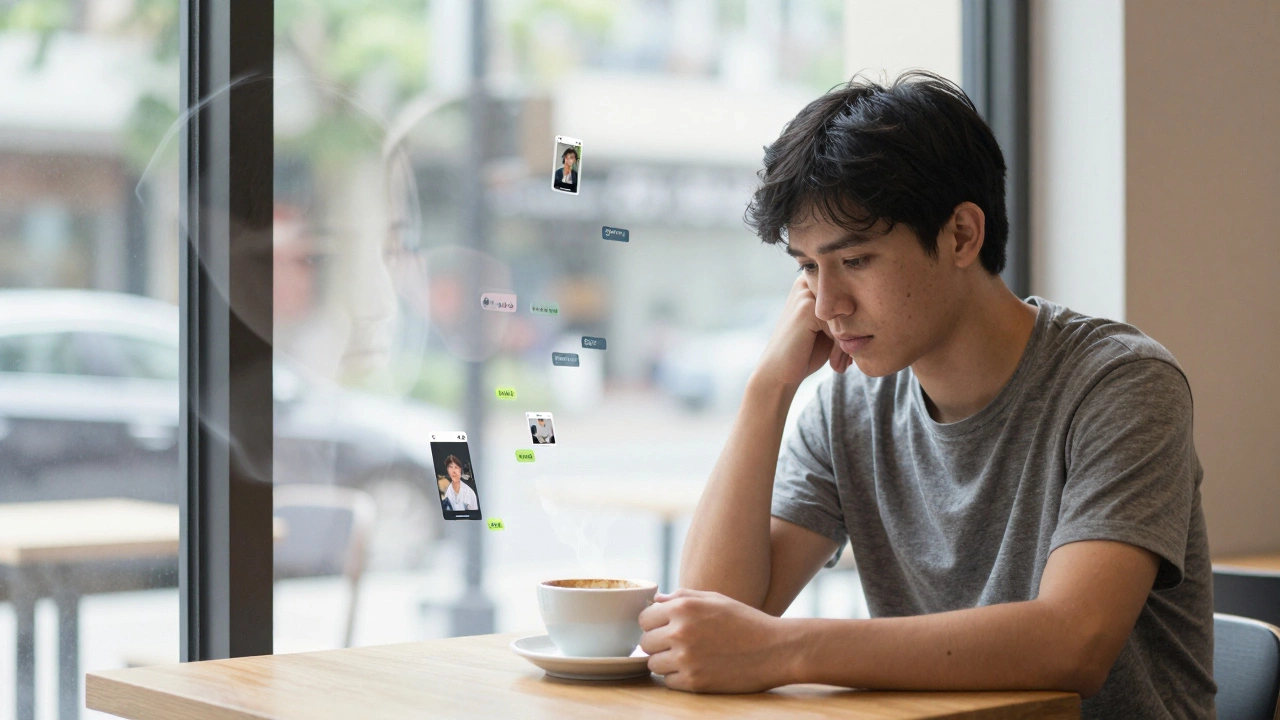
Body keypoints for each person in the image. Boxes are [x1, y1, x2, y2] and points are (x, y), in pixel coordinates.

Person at [637, 71, 1214, 720]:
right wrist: (766, 389)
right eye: (806, 268)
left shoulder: (1120, 384)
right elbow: (710, 629)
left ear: (962, 236)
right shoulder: (848, 409)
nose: (826, 306)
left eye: (854, 261)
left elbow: (1073, 642)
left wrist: (786, 650)